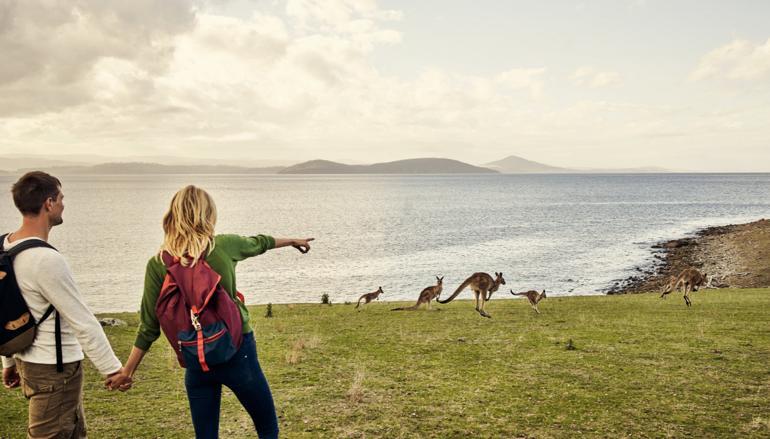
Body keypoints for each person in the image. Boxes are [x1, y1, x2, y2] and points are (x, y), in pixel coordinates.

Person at [107, 185, 313, 439]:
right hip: (239, 353)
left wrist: (127, 371)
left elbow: (148, 326)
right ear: (208, 215)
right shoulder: (224, 246)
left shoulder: (158, 264)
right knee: (267, 428)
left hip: (196, 359)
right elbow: (260, 243)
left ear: (173, 216)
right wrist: (293, 240)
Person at [1, 171, 128, 438]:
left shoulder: (4, 246)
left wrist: (9, 362)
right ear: (48, 203)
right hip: (54, 368)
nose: (63, 204)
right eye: (61, 198)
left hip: (28, 362)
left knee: (73, 433)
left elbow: (6, 308)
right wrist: (113, 368)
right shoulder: (46, 260)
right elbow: (81, 320)